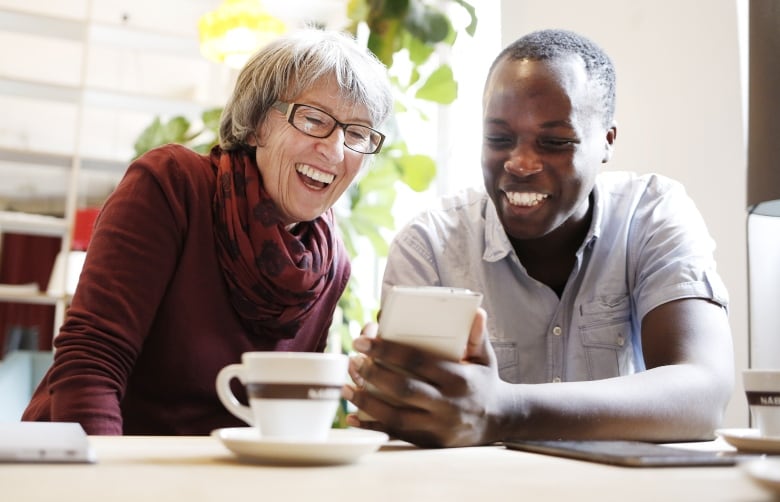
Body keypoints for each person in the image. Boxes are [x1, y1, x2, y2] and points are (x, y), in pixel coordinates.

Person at [343, 29, 734, 448]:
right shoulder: (431, 246)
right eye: (498, 138)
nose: (521, 163)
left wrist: (508, 409)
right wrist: (388, 395)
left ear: (606, 141)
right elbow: (408, 418)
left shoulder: (652, 214)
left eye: (554, 142)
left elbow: (703, 391)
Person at [23, 29, 393, 435]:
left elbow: (281, 423)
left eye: (357, 134)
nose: (336, 150)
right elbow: (91, 364)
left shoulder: (330, 263)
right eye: (312, 119)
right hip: (96, 462)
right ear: (255, 126)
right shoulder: (173, 186)